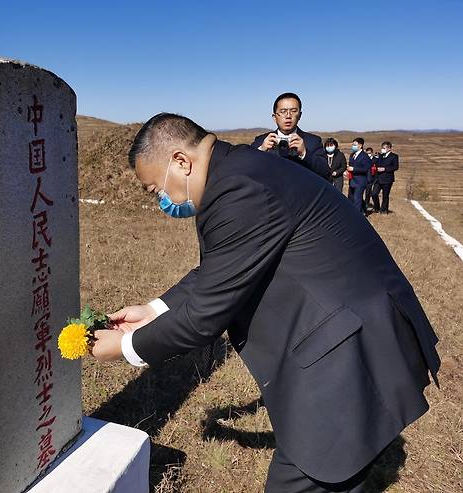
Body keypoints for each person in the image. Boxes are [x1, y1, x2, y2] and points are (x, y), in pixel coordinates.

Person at [92, 113, 440, 493]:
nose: (162, 198)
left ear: (180, 161)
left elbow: (204, 317)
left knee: (312, 475)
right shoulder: (240, 169)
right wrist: (156, 309)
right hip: (349, 337)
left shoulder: (239, 188)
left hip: (350, 357)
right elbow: (225, 266)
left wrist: (126, 347)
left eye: (155, 187)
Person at [251, 92, 330, 180]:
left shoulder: (313, 141)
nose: (288, 116)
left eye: (293, 111)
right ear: (274, 117)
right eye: (283, 111)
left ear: (299, 115)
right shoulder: (261, 141)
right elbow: (246, 168)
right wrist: (260, 151)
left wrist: (305, 153)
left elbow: (325, 172)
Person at [371, 141, 400, 214]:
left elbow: (395, 167)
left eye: (384, 148)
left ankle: (384, 210)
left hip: (387, 179)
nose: (382, 149)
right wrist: (375, 157)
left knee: (385, 195)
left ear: (389, 148)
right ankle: (377, 208)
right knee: (374, 193)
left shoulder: (394, 156)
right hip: (378, 178)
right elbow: (373, 162)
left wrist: (385, 169)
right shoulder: (380, 156)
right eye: (382, 148)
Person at [347, 137, 372, 214]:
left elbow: (365, 169)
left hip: (360, 181)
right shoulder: (352, 155)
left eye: (355, 144)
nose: (353, 146)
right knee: (351, 198)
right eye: (353, 144)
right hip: (352, 180)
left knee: (357, 199)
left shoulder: (364, 156)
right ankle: (363, 210)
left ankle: (357, 215)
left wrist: (354, 169)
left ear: (360, 145)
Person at [364, 147, 377, 213]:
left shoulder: (375, 159)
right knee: (366, 191)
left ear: (372, 153)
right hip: (365, 177)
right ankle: (365, 203)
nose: (368, 154)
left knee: (368, 191)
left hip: (373, 177)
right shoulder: (365, 159)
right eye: (367, 153)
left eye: (369, 153)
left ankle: (367, 203)